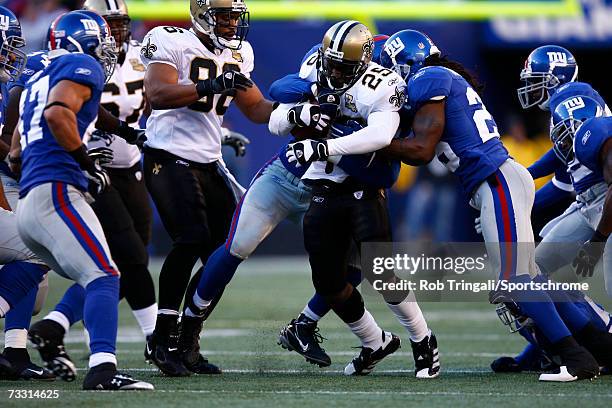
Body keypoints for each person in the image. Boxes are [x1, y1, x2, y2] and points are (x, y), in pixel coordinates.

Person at [379, 29, 612, 382]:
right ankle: (598, 349)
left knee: (516, 282)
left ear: (406, 63)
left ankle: (578, 358)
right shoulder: (440, 78)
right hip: (497, 180)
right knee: (532, 280)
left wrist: (373, 141)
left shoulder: (429, 78)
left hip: (495, 180)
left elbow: (421, 151)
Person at [259, 33, 439, 378]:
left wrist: (326, 145)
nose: (335, 73)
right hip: (323, 188)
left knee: (383, 273)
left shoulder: (382, 83)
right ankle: (374, 341)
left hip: (363, 187)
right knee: (328, 282)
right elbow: (274, 121)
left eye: (344, 67)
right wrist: (303, 114)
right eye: (332, 64)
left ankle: (423, 341)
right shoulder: (315, 65)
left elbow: (380, 137)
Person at [14, 10, 152, 390]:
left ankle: (50, 333)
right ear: (80, 44)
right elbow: (59, 114)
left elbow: (14, 151)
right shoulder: (80, 65)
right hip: (57, 191)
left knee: (93, 272)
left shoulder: (39, 75)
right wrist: (83, 161)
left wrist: (124, 132)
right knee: (104, 275)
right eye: (101, 45)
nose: (106, 54)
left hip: (31, 198)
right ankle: (103, 370)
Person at [140, 0, 276, 376]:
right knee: (191, 237)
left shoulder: (238, 52)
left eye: (235, 16)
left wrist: (296, 110)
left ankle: (187, 341)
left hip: (207, 160)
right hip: (166, 155)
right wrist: (210, 84)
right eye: (225, 16)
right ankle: (161, 338)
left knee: (224, 254)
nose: (233, 24)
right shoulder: (172, 41)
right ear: (201, 15)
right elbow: (158, 95)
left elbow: (256, 108)